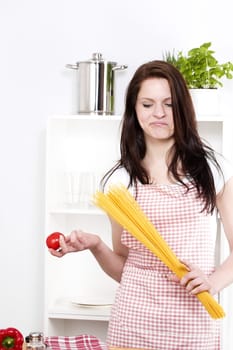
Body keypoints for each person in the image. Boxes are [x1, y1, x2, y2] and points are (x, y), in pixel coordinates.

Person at [49, 60, 233, 350]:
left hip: (194, 327)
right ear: (134, 110)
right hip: (133, 325)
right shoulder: (119, 181)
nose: (158, 113)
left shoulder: (213, 169)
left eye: (169, 104)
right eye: (147, 104)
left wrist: (214, 282)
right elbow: (125, 268)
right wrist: (96, 245)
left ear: (183, 108)